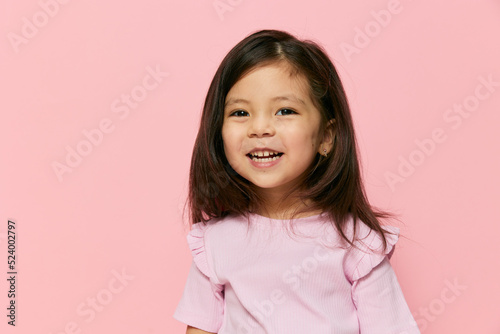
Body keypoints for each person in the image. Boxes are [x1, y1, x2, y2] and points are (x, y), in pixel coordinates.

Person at [173, 29, 420, 334]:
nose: (260, 127)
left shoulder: (357, 243)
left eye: (285, 110)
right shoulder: (214, 243)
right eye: (240, 112)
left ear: (326, 137)